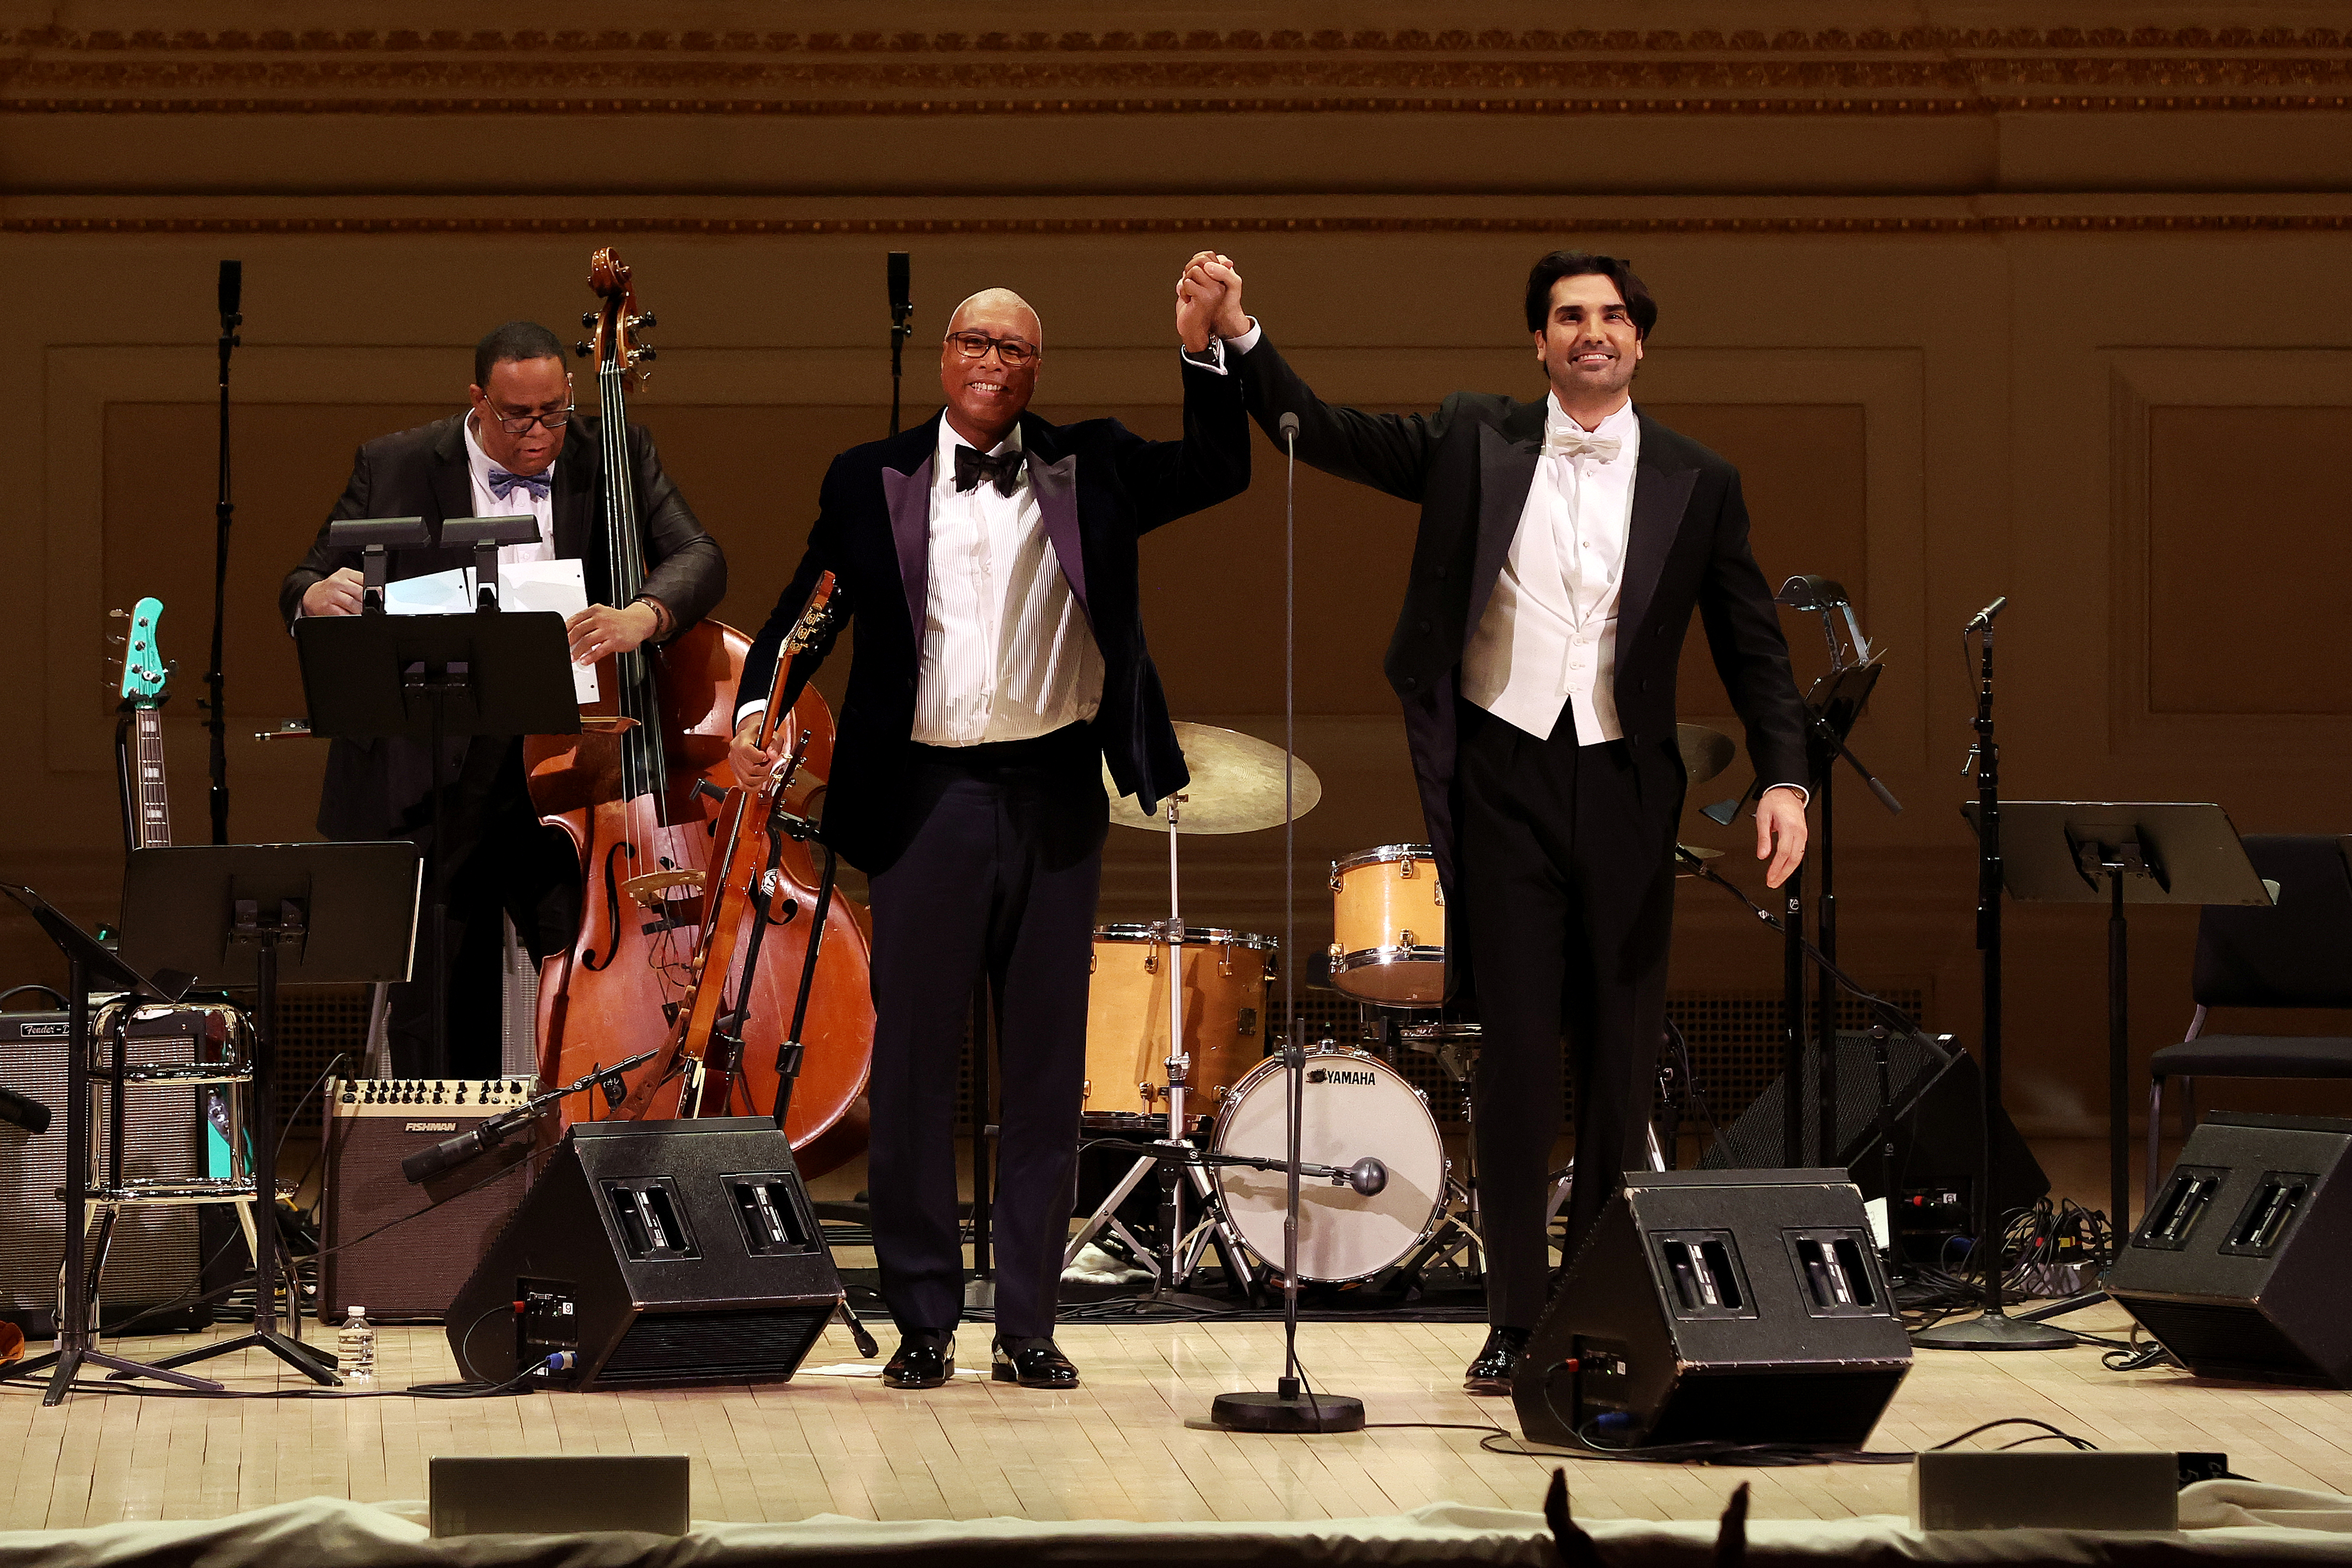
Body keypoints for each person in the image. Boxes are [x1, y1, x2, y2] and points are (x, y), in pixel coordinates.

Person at [1185, 249, 1811, 1394]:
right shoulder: (1478, 437)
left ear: (1639, 343)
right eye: (1570, 316)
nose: (1593, 332)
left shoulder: (1698, 477)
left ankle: (1609, 1305)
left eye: (1613, 317)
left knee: (1621, 1067)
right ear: (1539, 342)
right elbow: (1320, 430)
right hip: (1504, 781)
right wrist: (1237, 334)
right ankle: (1518, 1317)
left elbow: (1751, 642)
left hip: (1626, 785)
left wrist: (1787, 778)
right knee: (1519, 1061)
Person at [728, 275, 1250, 1390]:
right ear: (947, 357)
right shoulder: (871, 479)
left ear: (1035, 370)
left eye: (1015, 348)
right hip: (926, 799)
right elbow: (807, 610)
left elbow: (1220, 469)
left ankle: (1028, 1324)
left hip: (1057, 789)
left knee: (1046, 1072)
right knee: (914, 1068)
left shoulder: (1090, 465)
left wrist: (1208, 351)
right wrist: (755, 712)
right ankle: (923, 1319)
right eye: (975, 340)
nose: (992, 361)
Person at [279, 321, 726, 1080]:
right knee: (441, 997)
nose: (541, 431)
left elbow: (699, 555)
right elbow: (308, 577)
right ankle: (459, 1185)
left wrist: (640, 615)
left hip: (564, 764)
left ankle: (581, 1151)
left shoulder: (613, 454)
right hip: (432, 774)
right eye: (520, 415)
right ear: (478, 400)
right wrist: (317, 594)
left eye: (555, 411)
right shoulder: (395, 462)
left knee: (585, 971)